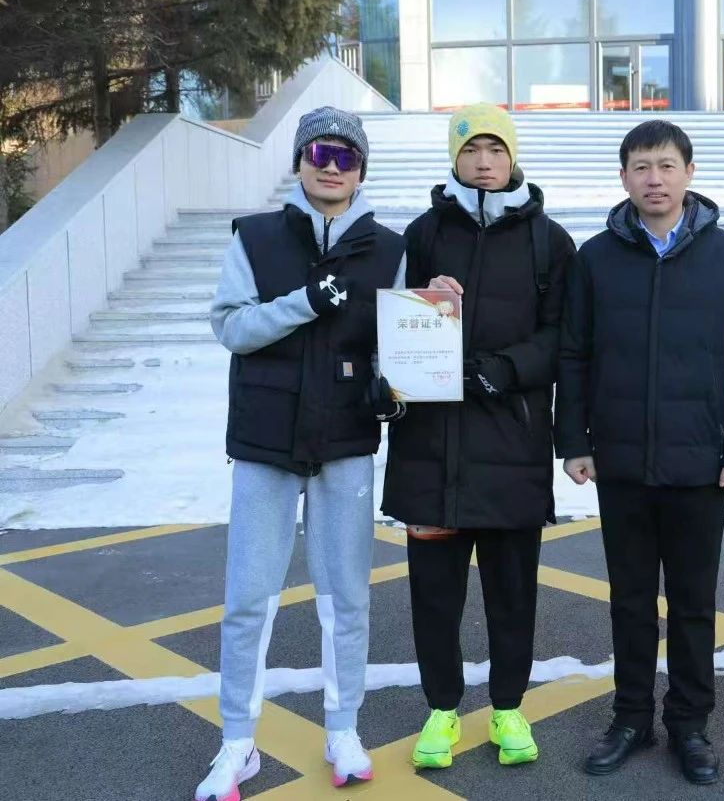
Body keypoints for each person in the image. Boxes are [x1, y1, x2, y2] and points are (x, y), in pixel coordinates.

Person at [200, 107, 407, 801]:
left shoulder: (389, 248)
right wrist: (304, 301)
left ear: (361, 170)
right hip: (266, 439)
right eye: (320, 152)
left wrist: (398, 378)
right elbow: (232, 327)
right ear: (298, 161)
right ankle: (237, 741)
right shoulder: (256, 237)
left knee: (347, 596)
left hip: (346, 438)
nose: (332, 166)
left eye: (347, 156)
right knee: (248, 597)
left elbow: (396, 346)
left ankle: (343, 728)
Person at [556, 119, 724, 785]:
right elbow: (574, 354)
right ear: (623, 177)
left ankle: (690, 724)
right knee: (630, 600)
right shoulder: (595, 258)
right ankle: (630, 717)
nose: (655, 178)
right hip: (620, 460)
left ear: (689, 173)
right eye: (641, 167)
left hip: (700, 461)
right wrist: (573, 439)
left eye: (667, 165)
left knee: (695, 603)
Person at [381, 103, 576, 771]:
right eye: (471, 149)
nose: (484, 161)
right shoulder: (421, 233)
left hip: (512, 442)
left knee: (512, 592)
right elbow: (393, 324)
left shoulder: (549, 240)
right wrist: (424, 297)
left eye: (495, 148)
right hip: (430, 446)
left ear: (512, 156)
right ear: (454, 158)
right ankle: (441, 709)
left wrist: (504, 369)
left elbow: (563, 337)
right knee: (433, 594)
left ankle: (508, 707)